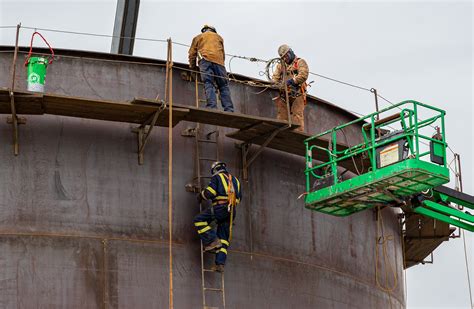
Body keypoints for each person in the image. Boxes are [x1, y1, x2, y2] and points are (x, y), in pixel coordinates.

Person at [193, 161, 242, 273]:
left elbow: (210, 192)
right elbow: (239, 198)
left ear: (215, 170)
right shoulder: (236, 180)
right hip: (232, 211)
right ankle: (220, 264)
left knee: (199, 220)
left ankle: (212, 240)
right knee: (224, 239)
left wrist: (200, 195)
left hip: (221, 208)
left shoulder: (217, 178)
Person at [188, 25, 234, 112]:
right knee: (223, 86)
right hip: (220, 63)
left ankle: (212, 106)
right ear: (213, 31)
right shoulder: (219, 37)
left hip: (205, 61)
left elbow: (192, 54)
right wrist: (221, 65)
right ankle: (229, 109)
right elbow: (223, 54)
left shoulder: (198, 37)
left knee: (208, 83)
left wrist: (193, 68)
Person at [271, 44, 309, 132]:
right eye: (283, 57)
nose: (285, 59)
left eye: (286, 56)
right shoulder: (281, 66)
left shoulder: (300, 62)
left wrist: (292, 81)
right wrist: (275, 84)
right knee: (281, 115)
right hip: (284, 95)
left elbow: (303, 75)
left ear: (290, 52)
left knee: (296, 115)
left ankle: (298, 134)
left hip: (297, 94)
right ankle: (281, 134)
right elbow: (275, 78)